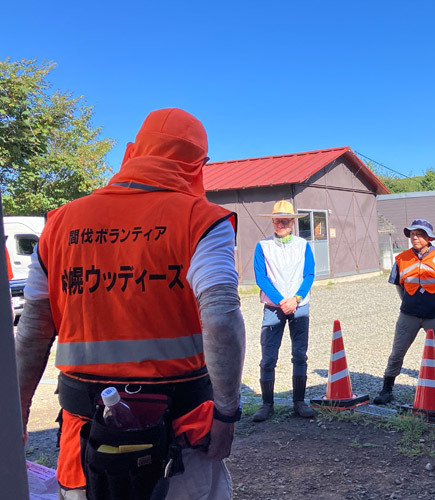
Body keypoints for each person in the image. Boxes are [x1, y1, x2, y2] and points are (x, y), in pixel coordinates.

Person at [14, 108, 246, 499]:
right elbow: (222, 316)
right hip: (181, 442)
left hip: (86, 444)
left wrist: (17, 413)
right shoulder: (203, 221)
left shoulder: (59, 224)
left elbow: (31, 335)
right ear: (198, 166)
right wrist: (226, 414)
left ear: (133, 151)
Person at [373, 219, 435, 409]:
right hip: (408, 315)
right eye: (412, 234)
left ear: (429, 237)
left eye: (419, 234)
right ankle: (386, 390)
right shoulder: (401, 259)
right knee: (397, 353)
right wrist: (408, 302)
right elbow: (399, 286)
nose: (415, 238)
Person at [252, 200, 316, 422]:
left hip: (299, 304)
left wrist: (296, 299)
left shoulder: (303, 245)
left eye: (286, 220)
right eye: (278, 220)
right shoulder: (263, 246)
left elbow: (309, 274)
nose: (281, 224)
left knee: (300, 354)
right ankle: (267, 404)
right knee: (268, 357)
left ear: (293, 222)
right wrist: (282, 301)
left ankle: (299, 402)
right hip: (273, 306)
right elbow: (261, 277)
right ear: (272, 221)